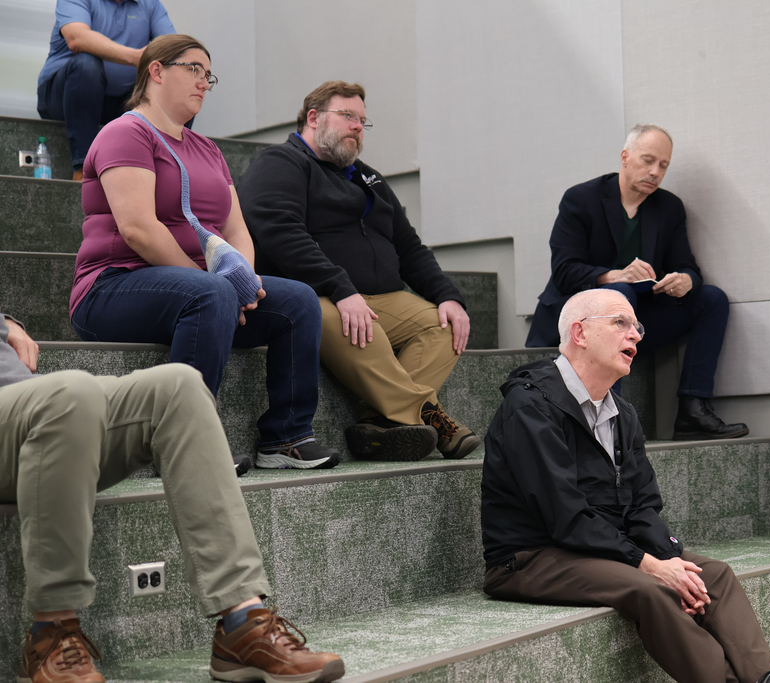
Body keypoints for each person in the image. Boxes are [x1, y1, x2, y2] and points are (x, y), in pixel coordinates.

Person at [482, 289, 770, 683]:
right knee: (653, 589)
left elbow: (643, 506)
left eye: (636, 326)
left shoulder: (621, 413)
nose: (636, 335)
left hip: (592, 548)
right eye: (620, 323)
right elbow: (565, 517)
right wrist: (650, 566)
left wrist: (669, 556)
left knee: (711, 574)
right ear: (580, 333)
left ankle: (766, 678)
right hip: (530, 557)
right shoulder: (529, 407)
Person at [0, 312, 345, 683]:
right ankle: (50, 634)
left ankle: (242, 623)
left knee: (179, 385)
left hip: (27, 409)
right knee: (71, 393)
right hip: (43, 407)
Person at [69, 34, 338, 472]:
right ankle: (181, 443)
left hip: (200, 291)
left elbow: (235, 229)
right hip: (113, 286)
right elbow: (137, 229)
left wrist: (243, 285)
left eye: (207, 74)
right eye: (193, 69)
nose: (203, 82)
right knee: (211, 294)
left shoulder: (208, 149)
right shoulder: (126, 132)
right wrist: (221, 288)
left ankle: (286, 437)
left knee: (299, 302)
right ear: (156, 71)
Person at [238, 80, 481, 463]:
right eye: (348, 115)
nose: (356, 126)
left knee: (446, 325)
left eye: (363, 121)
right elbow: (278, 231)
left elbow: (410, 248)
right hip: (315, 295)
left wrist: (448, 295)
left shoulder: (370, 179)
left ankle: (381, 423)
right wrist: (339, 287)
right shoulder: (280, 163)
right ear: (314, 118)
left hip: (382, 296)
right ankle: (432, 418)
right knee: (345, 320)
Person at [525, 124, 749, 441]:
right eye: (647, 160)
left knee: (712, 299)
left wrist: (686, 279)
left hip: (635, 322)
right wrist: (614, 277)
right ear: (625, 157)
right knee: (619, 292)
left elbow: (688, 266)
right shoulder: (581, 199)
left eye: (663, 165)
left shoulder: (669, 207)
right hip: (578, 322)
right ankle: (605, 414)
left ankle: (693, 410)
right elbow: (564, 271)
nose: (655, 172)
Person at [37, 0, 176, 180]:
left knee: (176, 82)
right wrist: (135, 57)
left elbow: (173, 49)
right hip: (62, 96)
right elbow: (77, 38)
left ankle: (169, 175)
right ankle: (84, 169)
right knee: (87, 64)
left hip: (117, 103)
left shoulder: (149, 4)